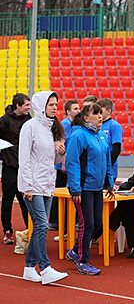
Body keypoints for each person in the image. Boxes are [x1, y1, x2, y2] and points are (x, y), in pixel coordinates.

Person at [18, 91, 68, 284]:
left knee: (41, 226)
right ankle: (45, 268)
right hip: (32, 185)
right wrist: (27, 186)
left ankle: (29, 267)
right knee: (41, 225)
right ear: (41, 106)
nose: (55, 107)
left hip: (47, 183)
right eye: (51, 104)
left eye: (56, 104)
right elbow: (24, 158)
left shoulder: (52, 128)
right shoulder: (29, 127)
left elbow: (51, 160)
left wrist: (60, 154)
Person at [65, 103, 114, 276]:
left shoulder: (101, 135)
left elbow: (107, 160)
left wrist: (109, 182)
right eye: (95, 113)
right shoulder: (78, 135)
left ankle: (74, 251)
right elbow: (72, 163)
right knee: (87, 224)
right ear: (86, 117)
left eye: (100, 113)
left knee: (97, 223)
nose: (100, 116)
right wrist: (75, 188)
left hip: (97, 187)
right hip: (84, 188)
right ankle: (83, 261)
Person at [0, 93, 31, 245]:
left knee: (25, 200)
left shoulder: (28, 119)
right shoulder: (4, 121)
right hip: (10, 167)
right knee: (7, 200)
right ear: (18, 106)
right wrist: (4, 154)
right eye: (26, 105)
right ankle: (7, 231)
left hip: (24, 167)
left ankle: (28, 230)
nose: (29, 107)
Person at [50, 100, 80, 231]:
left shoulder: (71, 124)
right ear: (68, 111)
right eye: (75, 108)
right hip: (63, 165)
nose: (78, 110)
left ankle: (58, 221)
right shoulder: (66, 124)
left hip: (65, 163)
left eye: (79, 108)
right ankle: (57, 221)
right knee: (61, 193)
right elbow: (62, 143)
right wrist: (64, 162)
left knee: (62, 192)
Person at [98, 98, 123, 180]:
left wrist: (107, 165)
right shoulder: (97, 125)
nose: (98, 113)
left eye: (101, 110)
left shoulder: (114, 126)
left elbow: (116, 149)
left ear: (108, 111)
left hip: (109, 170)